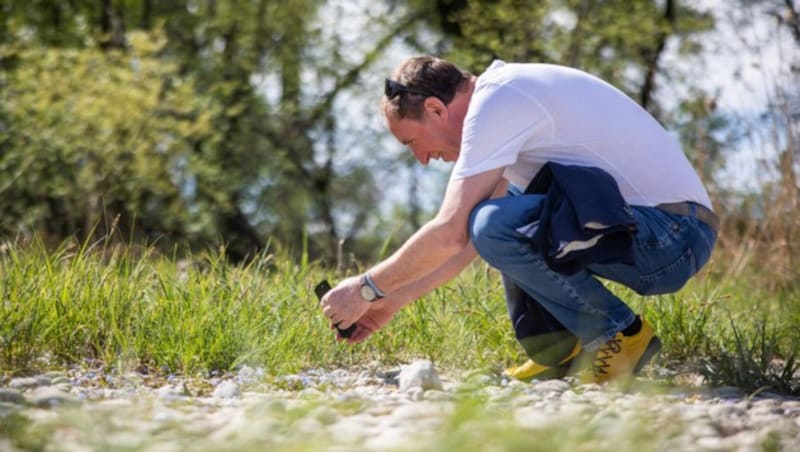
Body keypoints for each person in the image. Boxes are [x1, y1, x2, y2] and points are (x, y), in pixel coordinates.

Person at [319, 56, 717, 383]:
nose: (421, 159)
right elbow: (470, 245)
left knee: (497, 221)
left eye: (412, 142)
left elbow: (453, 232)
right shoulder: (503, 103)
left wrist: (365, 289)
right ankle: (556, 352)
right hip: (665, 232)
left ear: (435, 109)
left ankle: (620, 336)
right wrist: (393, 300)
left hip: (673, 236)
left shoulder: (500, 100)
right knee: (499, 215)